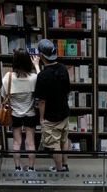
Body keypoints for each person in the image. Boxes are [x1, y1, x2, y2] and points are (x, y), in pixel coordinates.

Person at [34, 39, 71, 172]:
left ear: (42, 56)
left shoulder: (43, 76)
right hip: (64, 112)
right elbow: (67, 91)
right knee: (64, 139)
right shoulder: (63, 68)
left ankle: (59, 168)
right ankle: (65, 164)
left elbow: (42, 101)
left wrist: (42, 118)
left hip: (51, 116)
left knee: (54, 143)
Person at [1, 49, 39, 173]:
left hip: (15, 114)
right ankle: (32, 168)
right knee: (30, 142)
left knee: (17, 142)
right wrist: (37, 65)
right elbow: (42, 80)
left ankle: (17, 168)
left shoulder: (8, 78)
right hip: (30, 113)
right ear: (28, 62)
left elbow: (3, 95)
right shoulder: (34, 78)